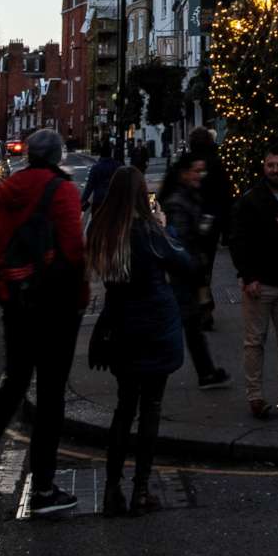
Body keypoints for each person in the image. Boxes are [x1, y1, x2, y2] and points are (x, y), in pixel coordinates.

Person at [0, 128, 86, 514]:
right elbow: (74, 250)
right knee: (50, 396)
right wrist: (79, 298)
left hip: (17, 306)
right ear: (57, 155)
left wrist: (7, 295)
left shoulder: (5, 192)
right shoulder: (61, 191)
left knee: (13, 385)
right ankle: (44, 489)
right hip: (56, 308)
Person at [85, 167, 195, 516]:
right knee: (151, 408)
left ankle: (112, 489)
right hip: (155, 327)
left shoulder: (102, 231)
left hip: (121, 328)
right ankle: (141, 489)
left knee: (123, 408)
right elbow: (184, 263)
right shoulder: (149, 232)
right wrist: (167, 227)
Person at [228, 145, 278, 419]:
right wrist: (248, 276)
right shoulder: (251, 199)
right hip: (260, 283)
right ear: (264, 165)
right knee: (254, 342)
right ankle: (255, 397)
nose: (277, 170)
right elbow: (238, 240)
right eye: (272, 165)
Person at [157, 152, 229, 389]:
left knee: (190, 324)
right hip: (182, 274)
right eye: (196, 171)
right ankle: (204, 372)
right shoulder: (178, 202)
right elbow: (180, 241)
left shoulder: (188, 196)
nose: (201, 175)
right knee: (187, 323)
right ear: (184, 173)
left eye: (202, 170)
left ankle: (205, 371)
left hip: (187, 272)